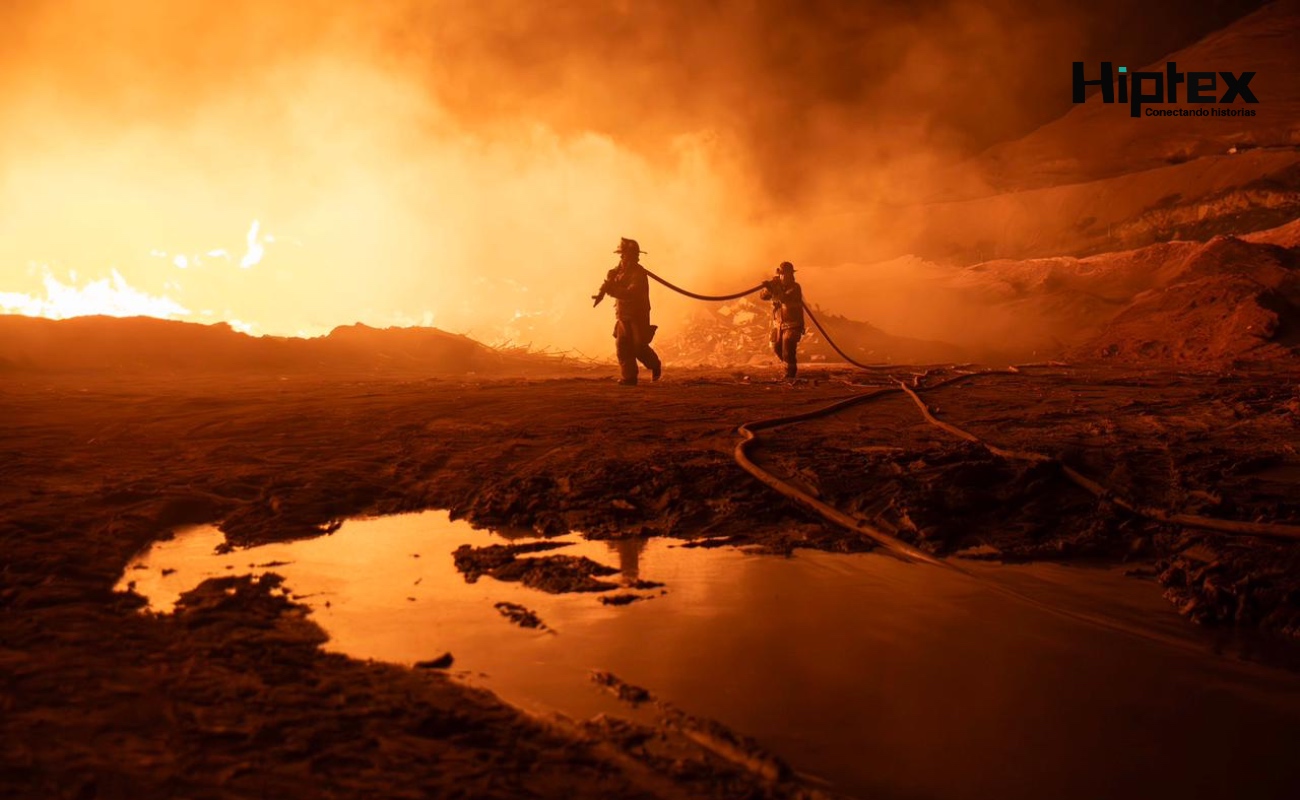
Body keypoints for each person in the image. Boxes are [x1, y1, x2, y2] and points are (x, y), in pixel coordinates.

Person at [592, 238, 662, 386]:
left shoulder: (638, 274)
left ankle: (655, 365)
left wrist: (612, 291)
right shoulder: (617, 271)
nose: (627, 257)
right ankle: (629, 378)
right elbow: (608, 284)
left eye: (631, 255)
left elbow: (632, 293)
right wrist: (602, 292)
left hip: (638, 314)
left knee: (638, 346)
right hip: (623, 314)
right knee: (623, 346)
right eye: (624, 255)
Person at [760, 261, 805, 380]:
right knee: (775, 347)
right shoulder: (777, 286)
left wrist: (773, 288)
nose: (784, 276)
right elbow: (763, 297)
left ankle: (790, 375)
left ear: (791, 275)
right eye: (782, 274)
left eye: (787, 274)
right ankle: (787, 368)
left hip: (792, 324)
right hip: (778, 324)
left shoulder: (795, 287)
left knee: (787, 350)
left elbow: (784, 298)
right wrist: (768, 288)